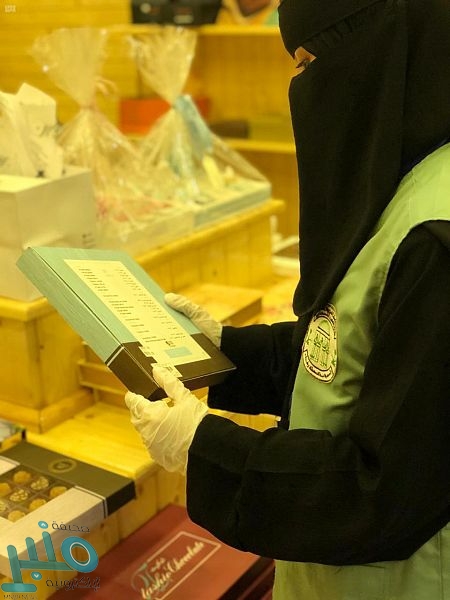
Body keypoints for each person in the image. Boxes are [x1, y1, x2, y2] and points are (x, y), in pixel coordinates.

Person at [125, 1, 450, 598]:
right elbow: (352, 350)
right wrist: (223, 351)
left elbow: (381, 493)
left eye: (307, 64)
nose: (300, 88)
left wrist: (204, 449)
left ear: (374, 59)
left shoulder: (436, 239)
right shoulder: (408, 177)